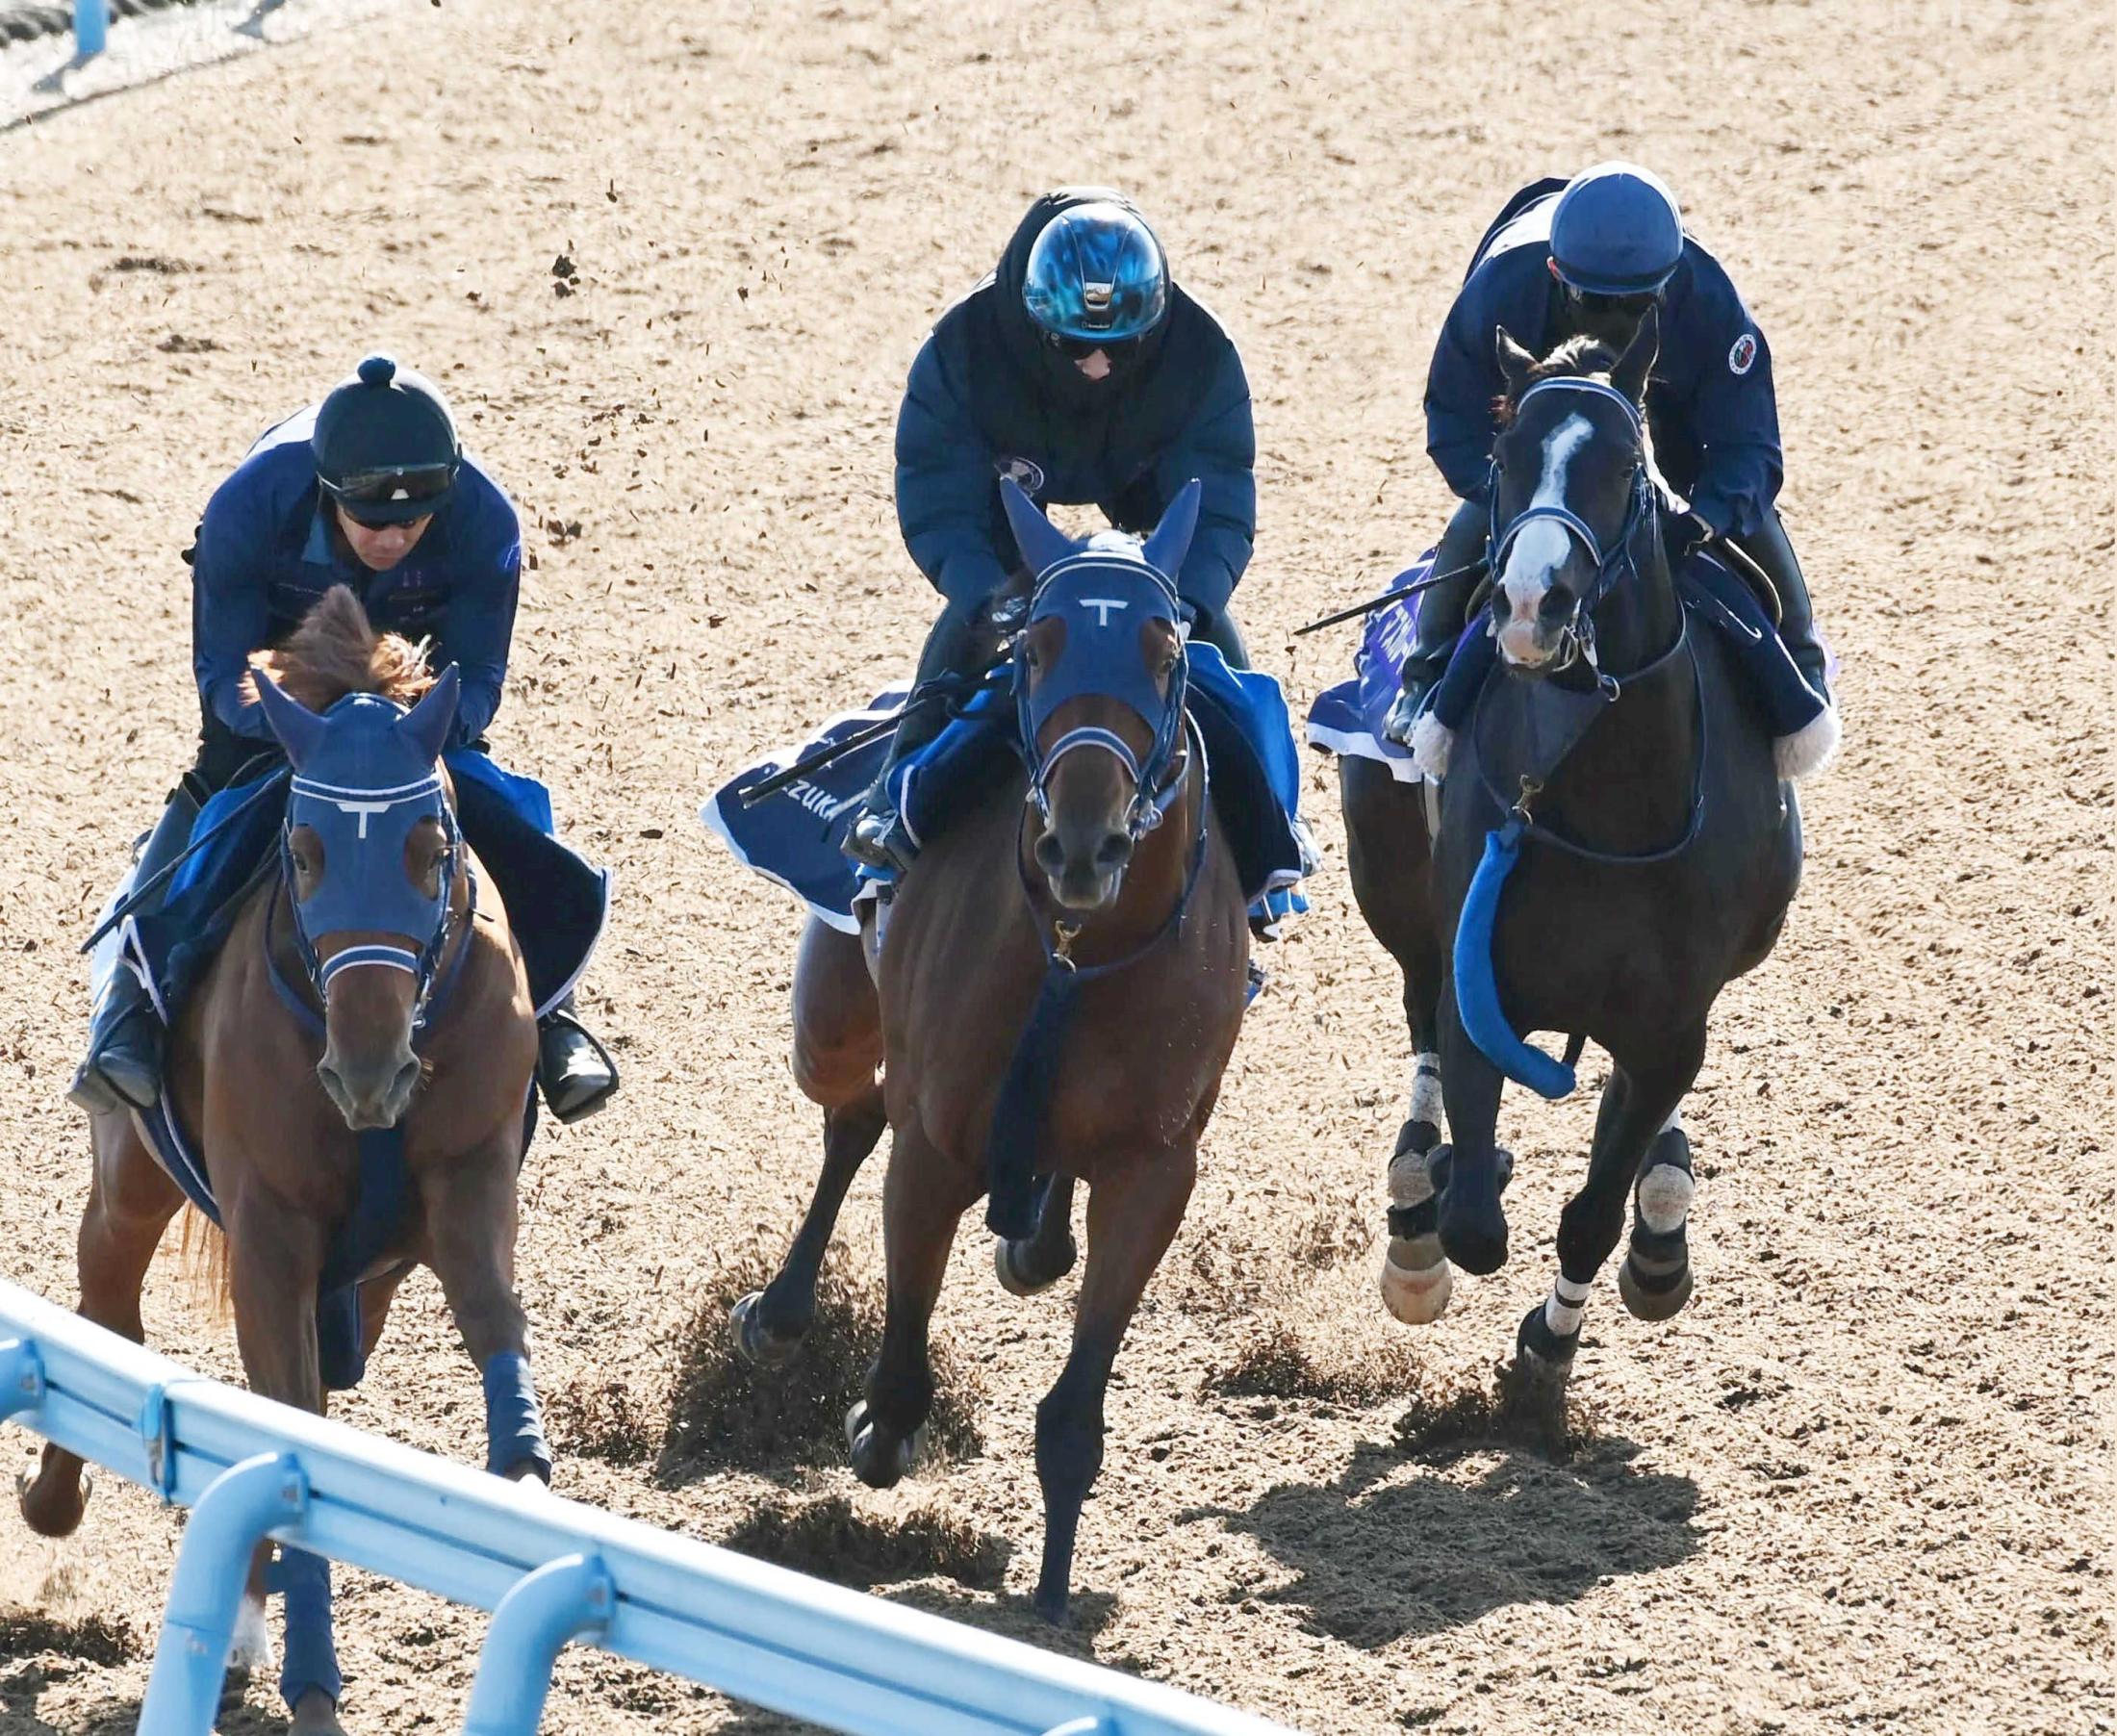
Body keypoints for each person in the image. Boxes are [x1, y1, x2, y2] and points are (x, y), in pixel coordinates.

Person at [69, 355, 618, 1124]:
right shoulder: (250, 506)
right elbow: (223, 678)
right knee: (211, 799)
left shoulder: (486, 519)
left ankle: (552, 1008)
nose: (393, 537)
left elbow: (481, 679)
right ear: (329, 496)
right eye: (372, 522)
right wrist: (314, 732)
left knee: (497, 804)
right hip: (283, 690)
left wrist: (399, 732)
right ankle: (130, 1010)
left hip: (411, 695)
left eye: (413, 522)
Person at [844, 189, 1258, 872]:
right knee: (966, 630)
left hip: (1145, 481)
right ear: (1033, 325)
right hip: (1007, 489)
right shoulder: (964, 352)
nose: (1096, 367)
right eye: (1073, 347)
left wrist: (1187, 602)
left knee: (1214, 639)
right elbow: (938, 495)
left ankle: (1266, 820)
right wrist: (990, 597)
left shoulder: (1199, 355)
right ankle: (892, 797)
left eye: (1121, 351)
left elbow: (1217, 501)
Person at [1389, 161, 1831, 737]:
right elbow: (1454, 423)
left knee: (1752, 520)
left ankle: (1801, 663)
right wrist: (1520, 489)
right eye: (1594, 304)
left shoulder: (1711, 308)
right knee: (1480, 518)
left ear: (1670, 282)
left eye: (1637, 306)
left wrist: (1702, 520)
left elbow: (1748, 448)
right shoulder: (1497, 295)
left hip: (1673, 398)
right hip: (1541, 405)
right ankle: (1426, 672)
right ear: (1554, 272)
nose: (1615, 327)